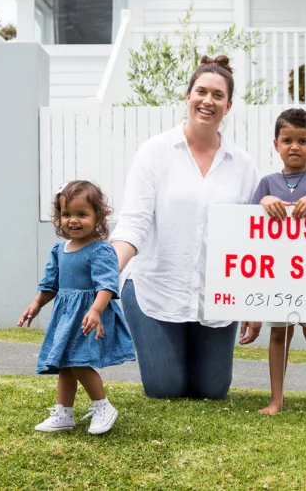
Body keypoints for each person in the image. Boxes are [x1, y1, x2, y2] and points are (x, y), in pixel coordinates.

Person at [110, 55, 261, 399]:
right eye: (201, 92)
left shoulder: (243, 165)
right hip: (156, 289)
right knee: (167, 389)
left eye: (218, 95)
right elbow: (133, 223)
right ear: (188, 96)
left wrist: (254, 303)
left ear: (229, 105)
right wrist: (104, 278)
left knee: (212, 390)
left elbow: (250, 238)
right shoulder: (155, 152)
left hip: (216, 296)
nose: (208, 101)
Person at [237, 107, 306, 416]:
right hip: (279, 276)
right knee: (278, 334)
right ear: (276, 144)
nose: (295, 146)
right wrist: (264, 201)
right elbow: (249, 224)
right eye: (287, 140)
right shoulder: (267, 182)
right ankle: (276, 400)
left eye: (303, 140)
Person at [19, 180, 134, 435]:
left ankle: (103, 406)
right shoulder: (59, 250)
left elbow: (107, 284)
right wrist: (37, 303)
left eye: (82, 214)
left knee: (80, 362)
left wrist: (95, 310)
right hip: (66, 316)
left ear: (98, 216)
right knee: (65, 363)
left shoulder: (101, 250)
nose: (73, 220)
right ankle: (64, 412)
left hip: (90, 314)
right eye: (66, 214)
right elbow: (51, 283)